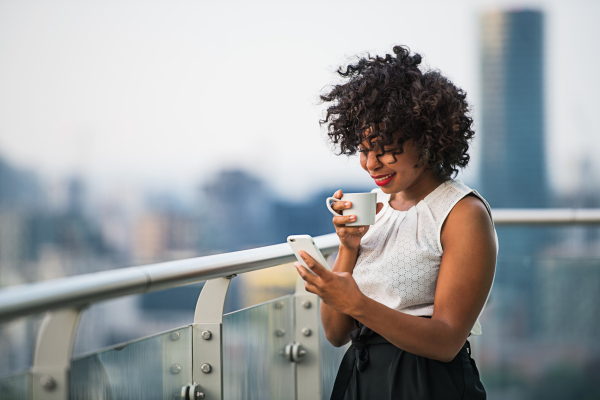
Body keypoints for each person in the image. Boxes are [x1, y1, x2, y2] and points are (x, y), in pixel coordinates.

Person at [294, 45, 497, 400]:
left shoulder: (463, 214)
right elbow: (336, 334)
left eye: (385, 147)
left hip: (426, 385)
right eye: (363, 149)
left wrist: (358, 304)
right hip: (362, 379)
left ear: (428, 137)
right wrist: (348, 247)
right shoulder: (379, 210)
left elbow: (447, 341)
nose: (371, 164)